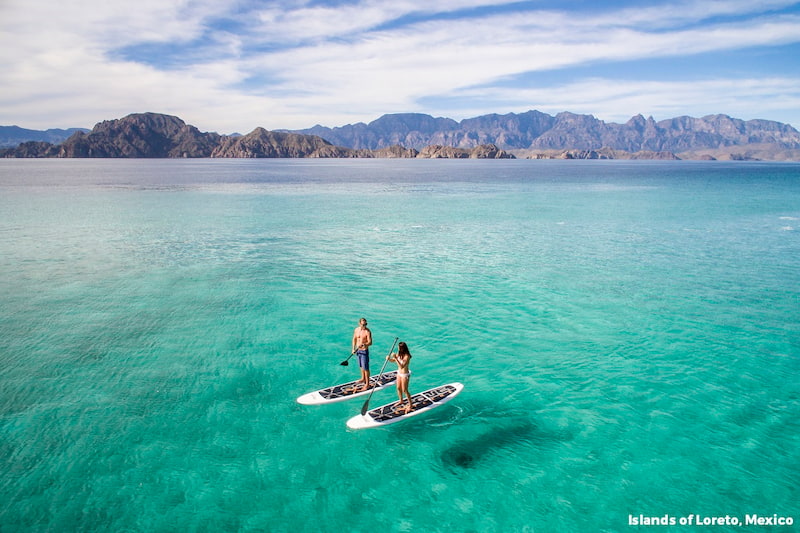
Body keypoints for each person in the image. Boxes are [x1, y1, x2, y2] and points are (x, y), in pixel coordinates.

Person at [388, 341, 413, 413]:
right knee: (398, 388)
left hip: (405, 374)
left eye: (399, 348)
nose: (398, 349)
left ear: (403, 348)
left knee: (405, 390)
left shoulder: (407, 356)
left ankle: (410, 404)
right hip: (399, 373)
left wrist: (395, 358)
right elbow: (394, 361)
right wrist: (389, 359)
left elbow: (402, 366)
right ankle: (401, 401)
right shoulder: (399, 353)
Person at [352, 317, 373, 391]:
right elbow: (354, 339)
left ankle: (367, 384)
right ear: (359, 323)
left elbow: (370, 342)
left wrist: (365, 344)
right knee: (360, 366)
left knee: (366, 368)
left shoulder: (368, 332)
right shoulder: (356, 330)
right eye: (363, 324)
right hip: (358, 351)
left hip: (364, 351)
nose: (364, 326)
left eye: (365, 324)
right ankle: (363, 378)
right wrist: (353, 349)